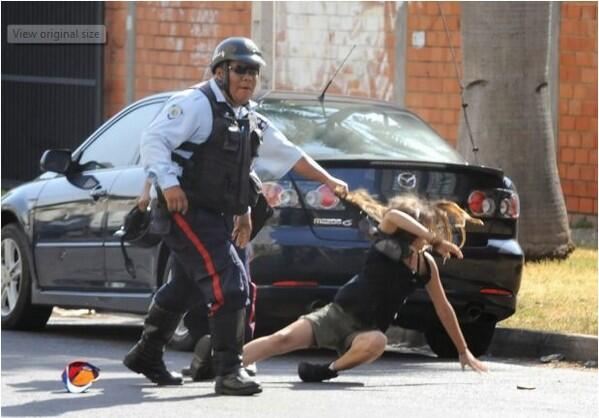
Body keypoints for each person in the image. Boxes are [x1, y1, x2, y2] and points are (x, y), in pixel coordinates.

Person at [123, 37, 348, 396]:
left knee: (186, 286)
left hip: (218, 213)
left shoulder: (247, 117)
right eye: (240, 69)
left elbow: (282, 154)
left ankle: (146, 353)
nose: (247, 78)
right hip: (185, 208)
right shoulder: (194, 104)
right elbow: (153, 140)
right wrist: (167, 185)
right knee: (230, 283)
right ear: (220, 72)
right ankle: (228, 371)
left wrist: (327, 180)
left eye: (253, 71)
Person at [241, 190, 489, 382]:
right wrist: (435, 240)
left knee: (378, 342)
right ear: (410, 230)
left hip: (365, 332)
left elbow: (443, 308)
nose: (429, 233)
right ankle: (225, 363)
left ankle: (326, 371)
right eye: (424, 228)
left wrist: (463, 350)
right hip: (337, 315)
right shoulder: (386, 241)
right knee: (281, 339)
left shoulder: (426, 265)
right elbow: (392, 216)